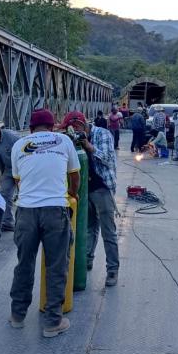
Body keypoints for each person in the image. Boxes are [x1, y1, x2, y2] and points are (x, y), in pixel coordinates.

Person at [9, 108, 79, 338]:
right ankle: (52, 323)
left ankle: (17, 316)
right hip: (55, 210)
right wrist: (73, 193)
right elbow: (75, 175)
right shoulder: (64, 140)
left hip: (26, 212)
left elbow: (18, 181)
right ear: (53, 126)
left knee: (24, 264)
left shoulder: (18, 145)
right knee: (56, 266)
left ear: (31, 128)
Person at [60, 111, 120, 286]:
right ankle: (86, 260)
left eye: (73, 129)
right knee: (89, 227)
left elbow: (108, 158)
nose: (73, 133)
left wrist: (88, 145)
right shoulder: (70, 139)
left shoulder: (102, 134)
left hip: (102, 187)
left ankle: (112, 270)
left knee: (108, 231)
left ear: (81, 124)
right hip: (84, 189)